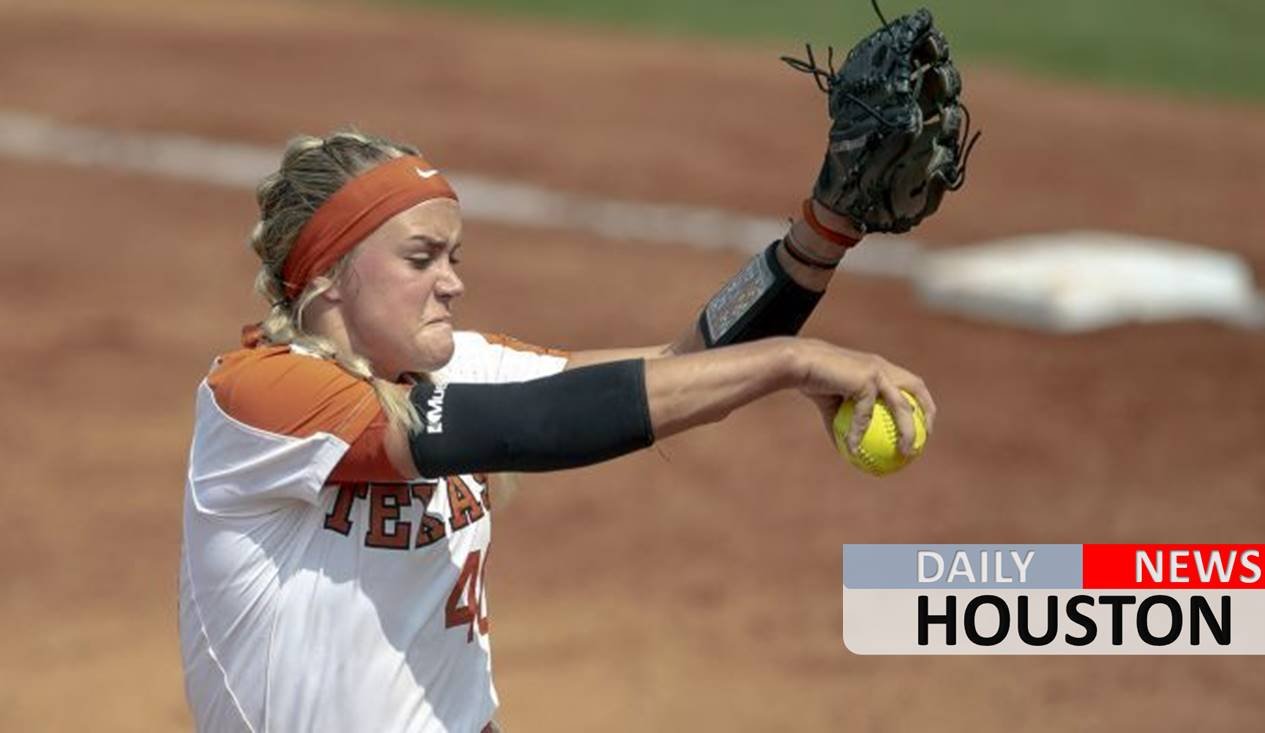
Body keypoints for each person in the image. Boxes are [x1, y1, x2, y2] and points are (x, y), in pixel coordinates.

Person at [178, 129, 936, 733]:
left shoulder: (454, 367)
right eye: (420, 257)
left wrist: (818, 238)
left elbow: (687, 365)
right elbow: (526, 426)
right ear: (329, 274)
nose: (453, 280)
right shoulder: (260, 397)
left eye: (454, 255)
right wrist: (790, 361)